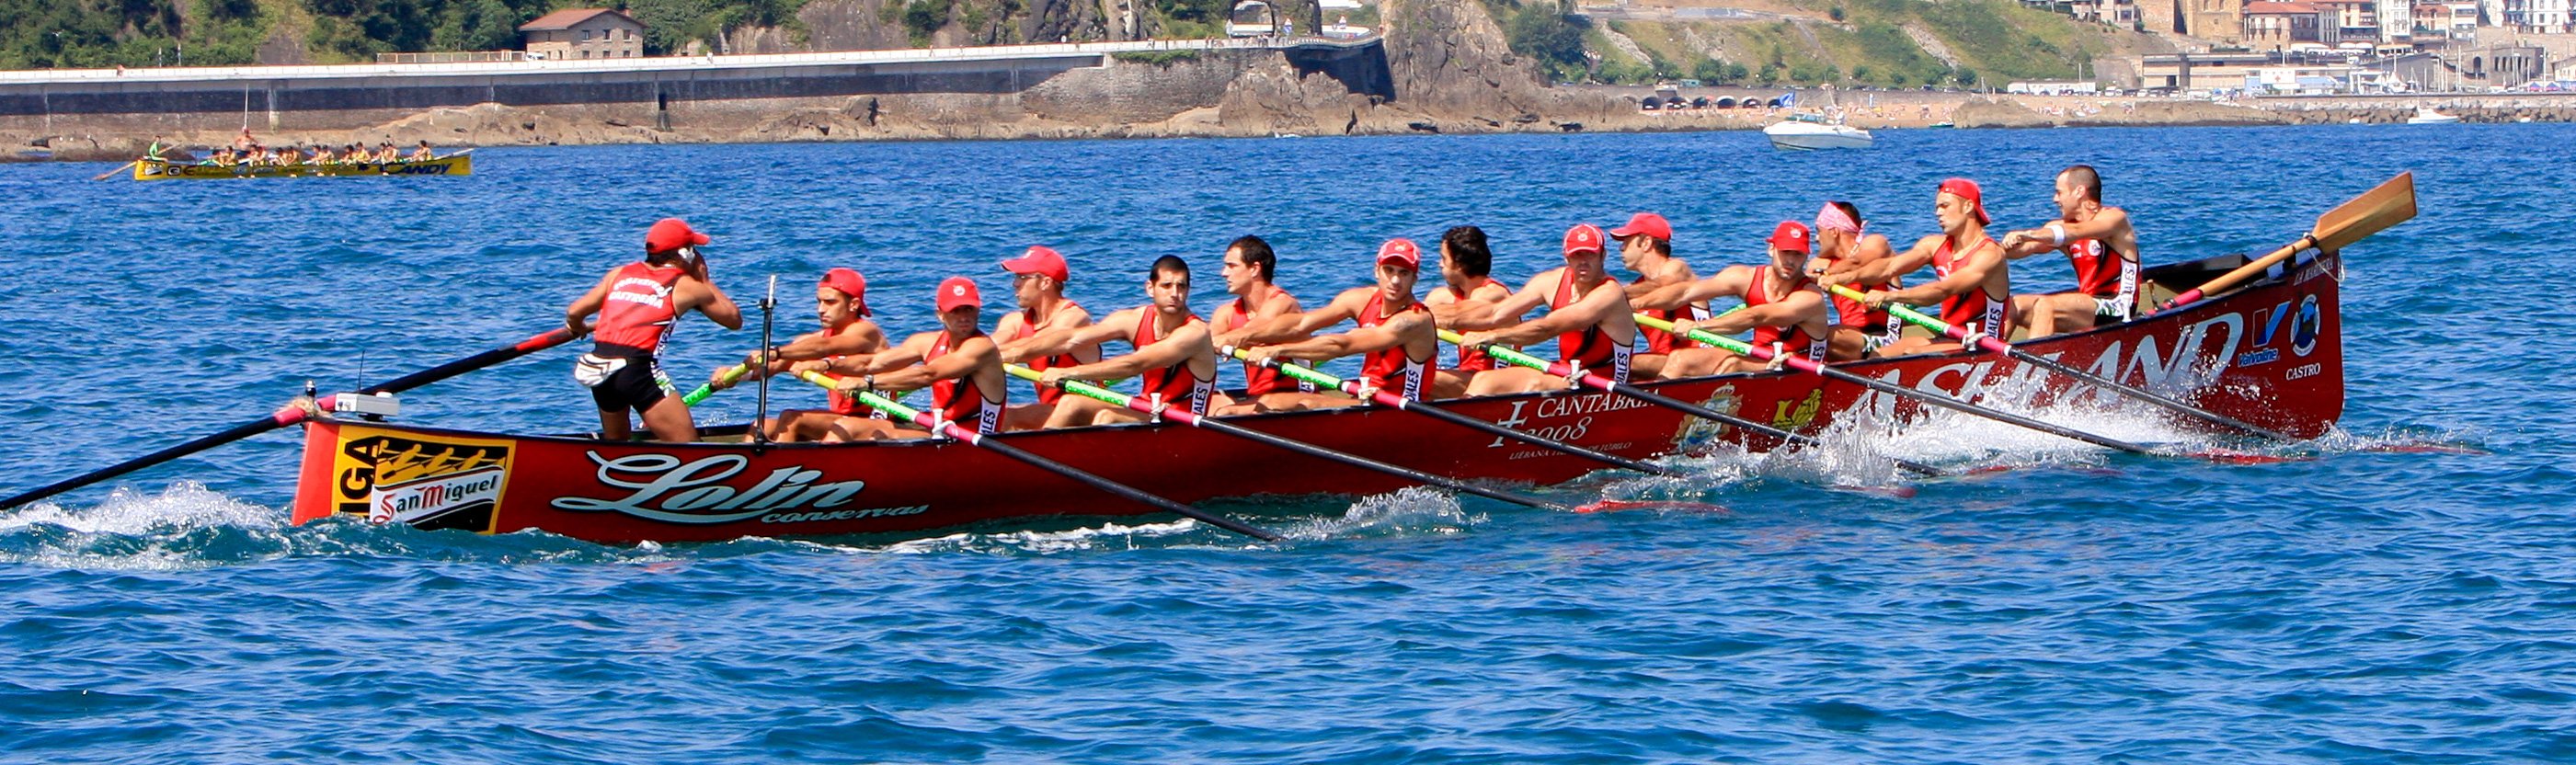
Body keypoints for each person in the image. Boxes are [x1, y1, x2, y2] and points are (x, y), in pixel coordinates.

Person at [566, 218, 742, 441]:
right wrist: (705, 279)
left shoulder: (619, 274)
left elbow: (574, 312)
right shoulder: (686, 286)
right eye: (694, 249)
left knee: (617, 447)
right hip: (637, 371)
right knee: (689, 447)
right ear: (685, 254)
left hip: (599, 368)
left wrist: (579, 328)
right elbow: (734, 320)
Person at [1011, 256, 1219, 428]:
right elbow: (1071, 339)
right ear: (1150, 288)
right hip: (1149, 407)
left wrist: (1067, 373)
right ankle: (1042, 454)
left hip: (1185, 419)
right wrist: (1007, 354)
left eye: (1181, 287)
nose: (1175, 294)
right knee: (1070, 402)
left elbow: (1134, 364)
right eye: (1166, 286)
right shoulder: (1134, 319)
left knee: (1107, 417)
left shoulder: (1195, 333)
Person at [1819, 177, 2012, 357]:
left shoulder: (1989, 254)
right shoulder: (1933, 245)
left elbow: (1942, 290)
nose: (1938, 213)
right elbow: (1888, 267)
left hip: (1983, 344)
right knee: (1878, 355)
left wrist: (1889, 297)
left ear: (1968, 206)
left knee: (1910, 353)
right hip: (1950, 337)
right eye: (1937, 207)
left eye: (1945, 206)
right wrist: (1842, 278)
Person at [1239, 238, 1440, 407]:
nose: (1395, 281)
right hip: (1368, 396)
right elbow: (1301, 324)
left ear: (1415, 279)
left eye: (1404, 273)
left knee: (1299, 404)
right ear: (1377, 271)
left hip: (1402, 407)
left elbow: (1342, 346)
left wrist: (1277, 350)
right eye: (1389, 270)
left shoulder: (1414, 319)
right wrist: (1239, 336)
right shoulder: (1361, 299)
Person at [1449, 223, 1641, 394]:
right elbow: (1495, 313)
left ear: (1603, 256)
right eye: (1577, 255)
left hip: (1605, 384)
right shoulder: (1551, 281)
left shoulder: (1609, 293)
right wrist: (1440, 321)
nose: (1583, 261)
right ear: (1566, 257)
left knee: (1534, 384)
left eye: (1590, 254)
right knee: (1484, 379)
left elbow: (1548, 328)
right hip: (1568, 374)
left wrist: (1492, 336)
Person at [708, 268, 889, 442]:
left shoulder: (866, 331)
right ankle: (746, 461)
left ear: (853, 305)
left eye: (830, 302)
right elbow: (774, 366)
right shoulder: (814, 341)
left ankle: (779, 462)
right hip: (844, 419)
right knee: (762, 426)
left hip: (878, 423)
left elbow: (825, 347)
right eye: (819, 302)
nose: (821, 309)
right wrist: (736, 375)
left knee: (792, 418)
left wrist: (773, 352)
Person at [1637, 222, 1833, 376]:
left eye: (1798, 255)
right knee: (1679, 358)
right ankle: (1658, 410)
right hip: (1761, 358)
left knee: (1733, 365)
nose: (1790, 261)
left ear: (1806, 257)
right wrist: (1635, 303)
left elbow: (1755, 316)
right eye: (1785, 252)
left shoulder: (1810, 297)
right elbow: (1685, 292)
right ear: (1771, 249)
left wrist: (1699, 326)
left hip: (1800, 367)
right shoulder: (1745, 277)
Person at [823, 278, 1009, 440]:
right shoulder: (926, 342)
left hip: (974, 438)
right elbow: (872, 362)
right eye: (955, 311)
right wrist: (826, 364)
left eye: (968, 309)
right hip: (942, 429)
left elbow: (928, 374)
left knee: (873, 435)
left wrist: (867, 383)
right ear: (940, 315)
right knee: (847, 426)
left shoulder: (981, 347)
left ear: (978, 311)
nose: (963, 317)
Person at [1999, 165, 2141, 337]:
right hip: (2088, 306)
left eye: (2059, 192)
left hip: (2119, 305)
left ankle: (2037, 353)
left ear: (2079, 191)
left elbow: (2076, 232)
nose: (2055, 199)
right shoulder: (2059, 227)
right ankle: (1989, 353)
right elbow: (2023, 250)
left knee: (2046, 305)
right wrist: (2000, 248)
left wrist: (2028, 234)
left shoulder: (2114, 218)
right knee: (2013, 306)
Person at [992, 245, 1098, 431]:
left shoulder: (1074, 317)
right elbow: (988, 345)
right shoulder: (1015, 321)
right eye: (1016, 277)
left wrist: (990, 357)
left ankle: (1041, 445)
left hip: (1091, 409)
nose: (1015, 284)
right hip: (1053, 410)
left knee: (1068, 404)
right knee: (1005, 415)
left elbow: (1039, 343)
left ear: (1045, 283)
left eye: (1022, 277)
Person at [1207, 234, 1313, 414]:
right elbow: (1204, 342)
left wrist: (1228, 339)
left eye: (1232, 266)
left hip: (1299, 395)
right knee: (1209, 404)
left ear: (1254, 269)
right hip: (1259, 398)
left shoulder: (1284, 303)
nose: (1223, 273)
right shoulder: (1226, 312)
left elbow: (1256, 329)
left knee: (1227, 412)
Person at [1609, 211, 1706, 380]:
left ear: (1646, 243)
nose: (1621, 248)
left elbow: (1663, 284)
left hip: (1699, 362)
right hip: (1663, 366)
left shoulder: (1678, 268)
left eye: (1626, 241)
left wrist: (1610, 294)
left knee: (1626, 363)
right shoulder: (1636, 287)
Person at [1805, 200, 1907, 360]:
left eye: (1819, 231)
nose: (1816, 238)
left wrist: (1827, 274)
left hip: (1885, 337)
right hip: (1850, 338)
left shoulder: (1875, 243)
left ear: (1834, 232)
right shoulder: (1820, 263)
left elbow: (1857, 263)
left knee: (1825, 335)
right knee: (1806, 332)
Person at [1423, 225, 1514, 399]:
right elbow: (1416, 310)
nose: (1439, 264)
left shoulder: (1494, 294)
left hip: (1499, 382)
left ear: (1458, 264)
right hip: (1469, 377)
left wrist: (1411, 319)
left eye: (1444, 258)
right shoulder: (1443, 296)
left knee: (1425, 379)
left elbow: (1457, 314)